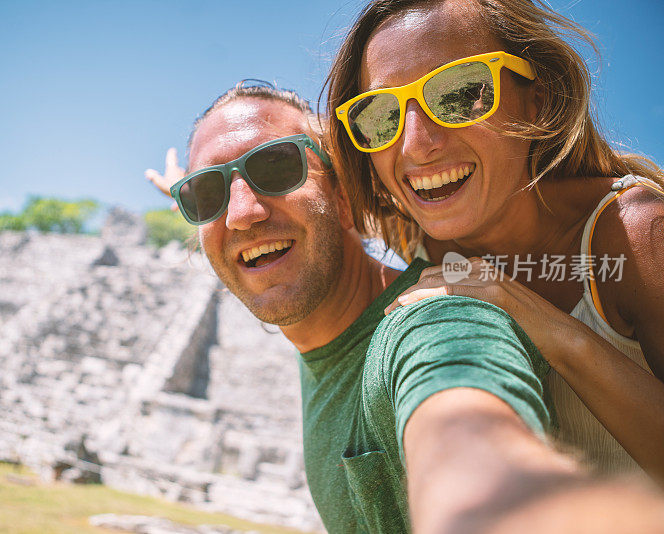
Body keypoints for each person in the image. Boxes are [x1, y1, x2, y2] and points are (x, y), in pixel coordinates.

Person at [146, 82, 664, 533]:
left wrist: (500, 505)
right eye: (206, 193)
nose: (241, 214)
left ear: (345, 194)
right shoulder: (305, 298)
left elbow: (465, 424)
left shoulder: (438, 313)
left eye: (277, 166)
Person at [325, 0, 664, 483]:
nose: (416, 143)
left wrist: (545, 325)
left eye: (459, 93)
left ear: (538, 100)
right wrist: (210, 190)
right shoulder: (419, 230)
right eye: (380, 115)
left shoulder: (636, 235)